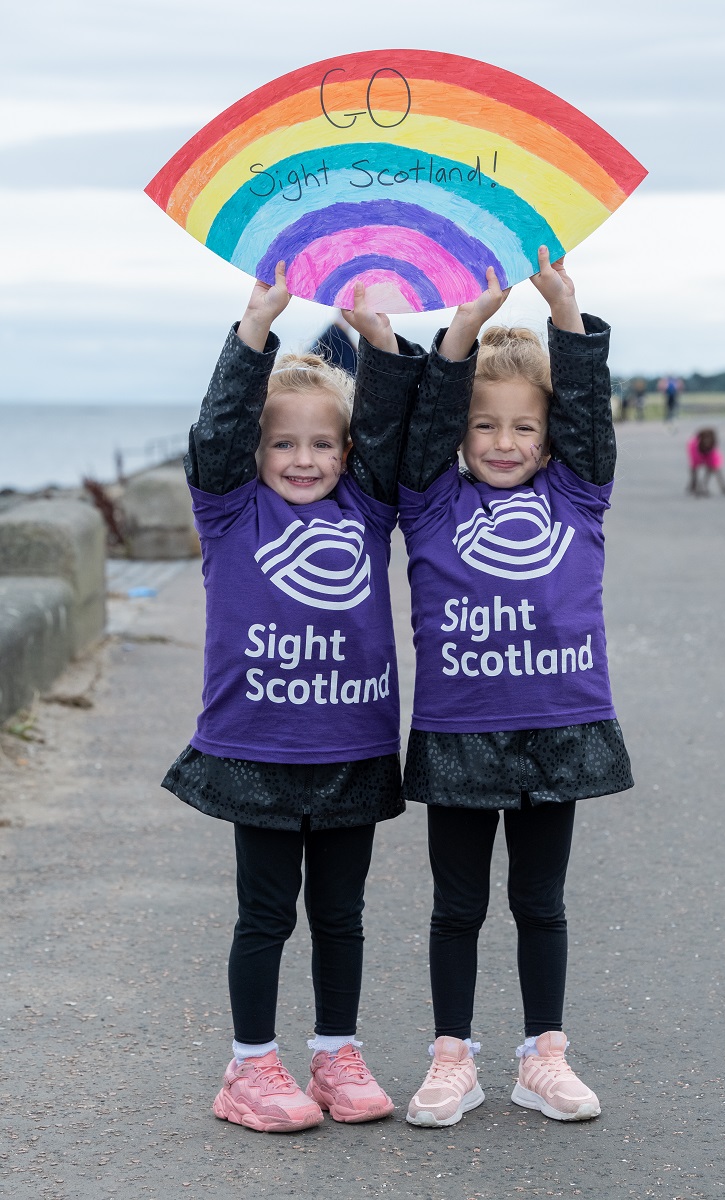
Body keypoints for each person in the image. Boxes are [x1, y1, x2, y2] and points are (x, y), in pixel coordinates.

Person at [161, 262, 455, 1133]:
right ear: (256, 455)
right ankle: (250, 1067)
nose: (303, 459)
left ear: (346, 453)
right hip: (260, 747)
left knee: (341, 913)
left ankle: (336, 1051)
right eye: (283, 444)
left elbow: (394, 421)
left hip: (351, 748)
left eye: (322, 444)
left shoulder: (368, 509)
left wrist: (379, 342)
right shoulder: (229, 512)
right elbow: (216, 431)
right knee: (265, 914)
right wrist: (257, 326)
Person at [397, 247, 633, 1128]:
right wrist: (465, 322)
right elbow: (418, 432)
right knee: (457, 906)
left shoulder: (580, 495)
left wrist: (561, 308)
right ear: (461, 434)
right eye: (485, 427)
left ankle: (545, 1054)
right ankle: (452, 1058)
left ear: (549, 436)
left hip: (559, 729)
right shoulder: (428, 503)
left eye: (524, 428)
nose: (504, 443)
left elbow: (588, 417)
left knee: (541, 903)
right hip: (460, 734)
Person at [686, 427, 725, 496]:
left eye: (709, 438)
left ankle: (705, 485)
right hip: (698, 452)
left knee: (712, 467)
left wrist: (723, 485)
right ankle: (694, 483)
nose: (706, 440)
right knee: (694, 468)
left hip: (709, 453)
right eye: (704, 438)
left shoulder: (713, 450)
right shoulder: (693, 446)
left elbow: (716, 468)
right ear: (699, 438)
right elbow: (693, 466)